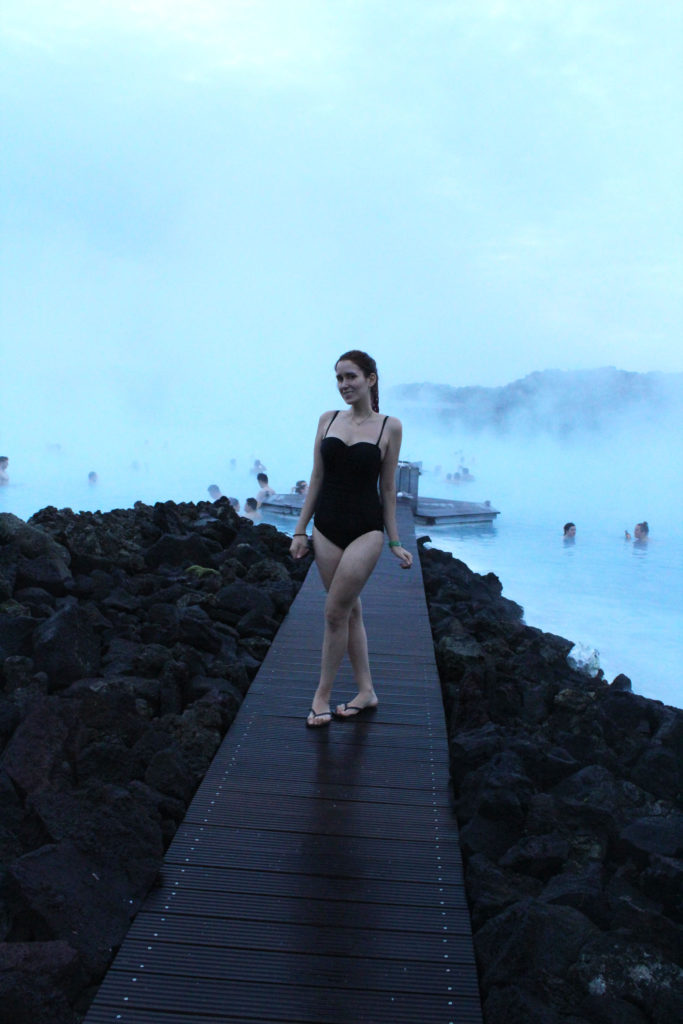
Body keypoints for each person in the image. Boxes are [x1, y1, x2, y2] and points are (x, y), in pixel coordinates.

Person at [289, 350, 412, 727]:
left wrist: (395, 540)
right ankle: (366, 691)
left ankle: (321, 696)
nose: (344, 385)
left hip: (366, 529)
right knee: (349, 609)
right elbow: (318, 478)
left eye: (351, 377)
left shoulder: (389, 426)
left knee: (334, 612)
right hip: (326, 528)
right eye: (339, 378)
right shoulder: (327, 420)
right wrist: (300, 530)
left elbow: (388, 488)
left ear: (371, 379)